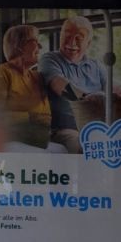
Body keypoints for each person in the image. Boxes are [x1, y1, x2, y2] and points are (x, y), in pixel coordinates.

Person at [38, 16, 106, 153]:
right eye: (67, 36)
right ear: (60, 36)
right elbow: (59, 84)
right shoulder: (49, 59)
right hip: (65, 129)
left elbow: (112, 86)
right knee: (86, 146)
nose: (71, 43)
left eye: (78, 38)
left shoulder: (96, 65)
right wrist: (87, 99)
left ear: (88, 43)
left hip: (96, 127)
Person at [0, 24, 51, 148]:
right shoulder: (2, 73)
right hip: (11, 139)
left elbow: (46, 115)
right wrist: (30, 117)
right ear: (20, 46)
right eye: (35, 41)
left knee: (61, 149)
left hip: (39, 137)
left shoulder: (37, 77)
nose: (40, 46)